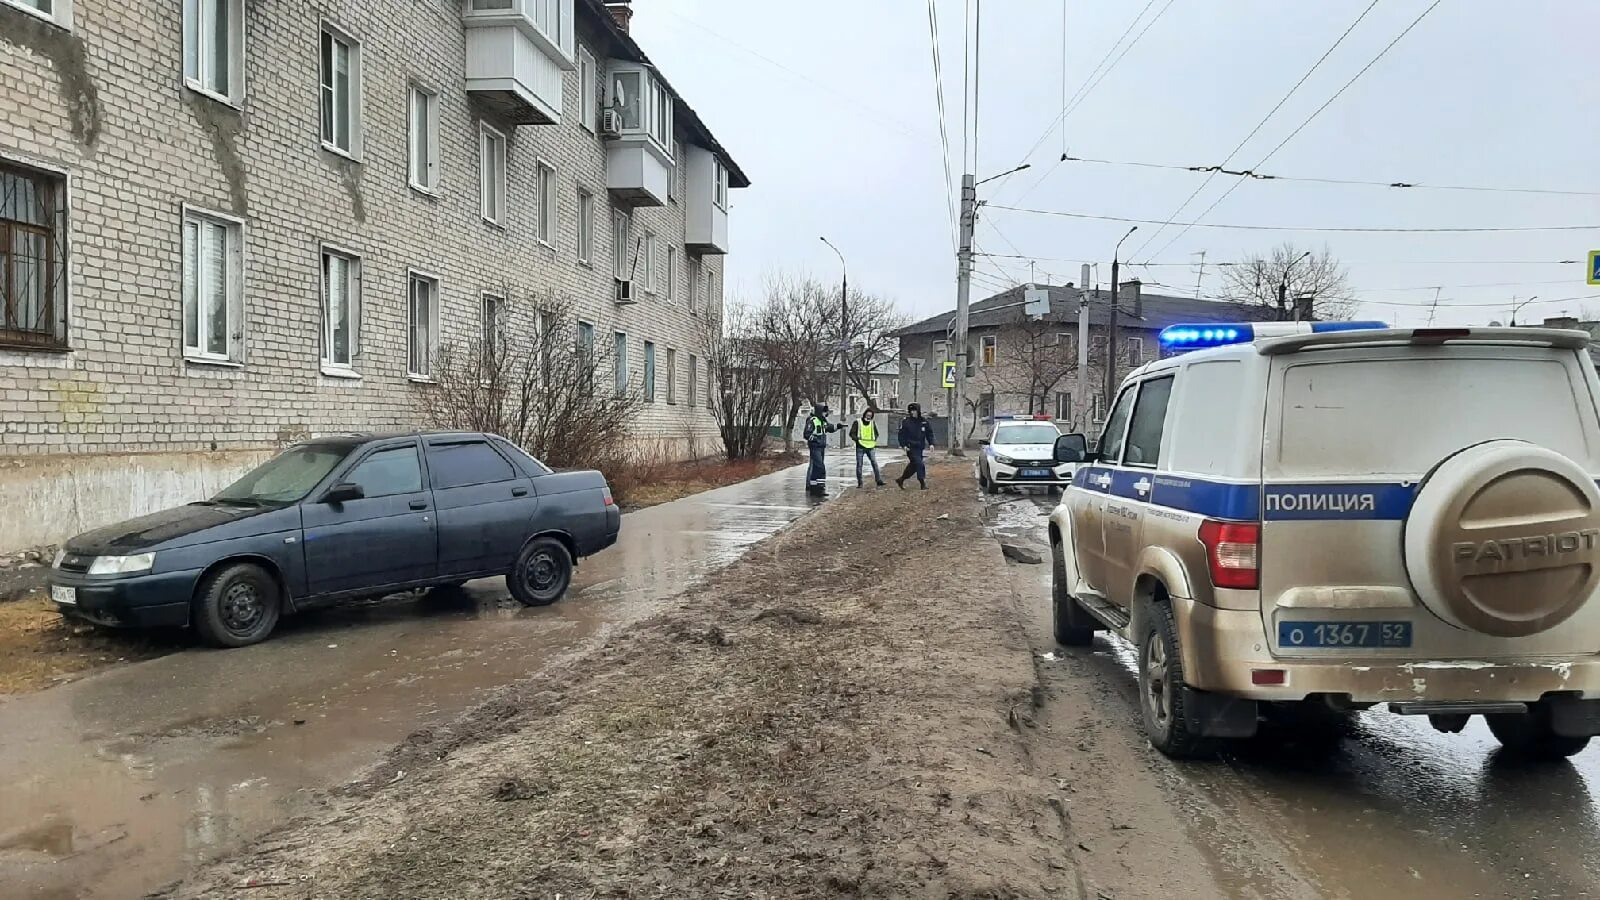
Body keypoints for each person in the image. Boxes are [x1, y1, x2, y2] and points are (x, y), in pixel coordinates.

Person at [802, 402, 843, 496]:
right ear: (819, 411)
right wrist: (815, 439)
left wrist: (838, 427)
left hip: (821, 447)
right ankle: (814, 488)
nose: (826, 413)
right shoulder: (813, 420)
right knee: (819, 467)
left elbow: (830, 428)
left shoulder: (823, 421)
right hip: (815, 446)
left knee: (818, 467)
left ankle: (819, 488)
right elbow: (806, 434)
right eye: (824, 411)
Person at [896, 402, 936, 490]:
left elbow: (929, 433)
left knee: (914, 466)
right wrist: (904, 445)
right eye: (911, 411)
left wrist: (931, 444)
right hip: (910, 447)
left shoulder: (924, 421)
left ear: (918, 411)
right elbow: (901, 435)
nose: (912, 412)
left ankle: (901, 479)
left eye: (914, 410)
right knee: (919, 463)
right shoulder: (906, 422)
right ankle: (922, 483)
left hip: (919, 447)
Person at [850, 409, 887, 488]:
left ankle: (878, 480)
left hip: (870, 446)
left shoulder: (872, 423)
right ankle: (860, 483)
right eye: (867, 415)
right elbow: (852, 433)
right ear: (864, 414)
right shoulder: (857, 422)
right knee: (859, 465)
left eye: (870, 416)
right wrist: (857, 439)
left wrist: (874, 440)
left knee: (874, 463)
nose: (868, 417)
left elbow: (876, 433)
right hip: (860, 446)